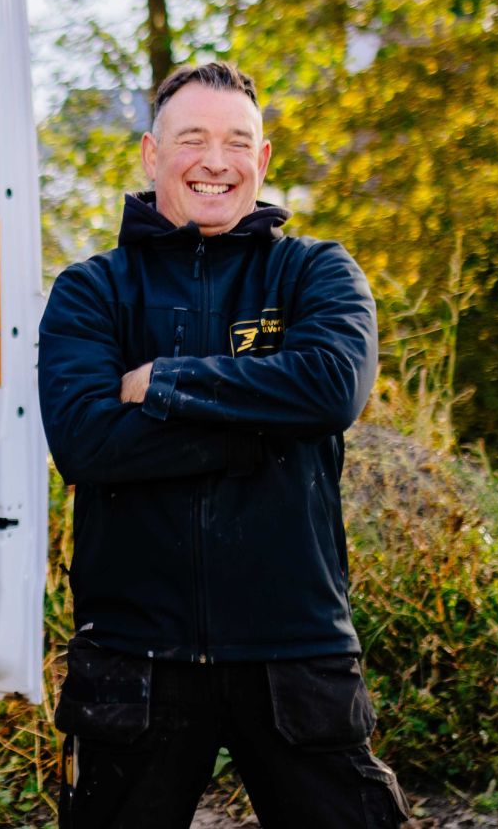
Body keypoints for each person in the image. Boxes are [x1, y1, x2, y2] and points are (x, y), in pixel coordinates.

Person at [35, 62, 410, 828]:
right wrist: (262, 428)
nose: (216, 160)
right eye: (193, 139)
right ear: (150, 152)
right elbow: (87, 441)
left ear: (263, 159)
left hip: (295, 650)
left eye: (237, 141)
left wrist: (166, 382)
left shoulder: (314, 271)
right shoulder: (93, 290)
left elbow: (333, 389)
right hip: (134, 660)